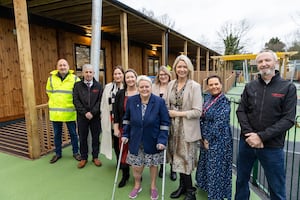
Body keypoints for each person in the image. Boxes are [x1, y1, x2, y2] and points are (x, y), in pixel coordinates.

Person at [235, 49, 297, 200]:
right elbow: (241, 111)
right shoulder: (250, 86)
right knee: (241, 181)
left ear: (276, 63)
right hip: (247, 143)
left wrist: (261, 137)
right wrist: (250, 135)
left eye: (267, 60)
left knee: (276, 188)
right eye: (260, 62)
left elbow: (288, 119)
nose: (264, 64)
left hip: (272, 147)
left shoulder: (288, 88)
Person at [121, 75, 170, 200]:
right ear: (137, 88)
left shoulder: (159, 102)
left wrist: (162, 140)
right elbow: (126, 120)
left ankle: (153, 186)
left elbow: (164, 123)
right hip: (135, 139)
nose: (144, 89)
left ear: (151, 87)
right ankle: (137, 185)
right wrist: (125, 134)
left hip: (153, 139)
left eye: (147, 86)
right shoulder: (132, 101)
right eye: (141, 86)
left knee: (153, 165)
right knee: (136, 166)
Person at [165, 55, 202, 200]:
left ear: (188, 69)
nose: (181, 69)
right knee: (176, 158)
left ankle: (191, 191)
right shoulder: (170, 84)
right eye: (179, 66)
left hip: (186, 128)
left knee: (185, 159)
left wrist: (178, 113)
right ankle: (182, 187)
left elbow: (197, 111)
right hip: (172, 128)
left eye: (184, 66)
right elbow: (166, 104)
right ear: (175, 68)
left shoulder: (195, 86)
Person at [195, 75, 233, 200]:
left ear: (221, 85)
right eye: (211, 84)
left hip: (218, 139)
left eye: (216, 84)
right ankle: (206, 186)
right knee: (207, 164)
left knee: (216, 167)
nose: (214, 87)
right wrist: (202, 136)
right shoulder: (208, 98)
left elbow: (220, 123)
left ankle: (216, 194)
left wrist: (208, 139)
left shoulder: (224, 101)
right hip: (206, 137)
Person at [46, 58, 81, 164]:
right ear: (57, 67)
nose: (62, 67)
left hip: (69, 111)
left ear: (68, 67)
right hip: (56, 112)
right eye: (60, 65)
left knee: (73, 134)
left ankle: (76, 152)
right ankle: (58, 153)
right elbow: (49, 92)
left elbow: (79, 94)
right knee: (57, 135)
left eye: (64, 65)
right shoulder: (51, 79)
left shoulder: (75, 79)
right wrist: (56, 102)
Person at [73, 64, 103, 168]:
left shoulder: (99, 86)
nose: (88, 74)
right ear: (82, 73)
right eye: (86, 72)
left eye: (90, 72)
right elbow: (76, 101)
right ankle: (84, 158)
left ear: (93, 73)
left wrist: (93, 112)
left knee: (96, 137)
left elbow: (100, 101)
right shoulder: (77, 86)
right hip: (82, 117)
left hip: (95, 117)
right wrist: (85, 113)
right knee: (82, 138)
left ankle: (95, 157)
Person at [113, 69, 138, 187]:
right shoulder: (120, 93)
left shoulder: (141, 92)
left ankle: (137, 175)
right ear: (125, 79)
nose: (130, 79)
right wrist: (116, 128)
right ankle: (125, 175)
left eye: (132, 77)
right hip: (124, 128)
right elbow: (116, 112)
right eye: (127, 77)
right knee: (124, 152)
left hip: (138, 129)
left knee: (136, 152)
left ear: (136, 78)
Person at [152, 66, 177, 181]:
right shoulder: (154, 87)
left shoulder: (173, 86)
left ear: (169, 75)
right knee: (160, 143)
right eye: (160, 75)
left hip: (171, 119)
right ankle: (162, 167)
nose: (162, 76)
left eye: (165, 74)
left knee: (172, 144)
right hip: (157, 120)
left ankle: (173, 169)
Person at [100, 66, 124, 160]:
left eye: (119, 73)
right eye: (115, 74)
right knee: (115, 140)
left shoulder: (127, 86)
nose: (117, 76)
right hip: (111, 119)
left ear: (123, 74)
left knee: (123, 140)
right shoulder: (108, 87)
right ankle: (119, 160)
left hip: (123, 119)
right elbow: (103, 103)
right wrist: (102, 115)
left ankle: (126, 160)